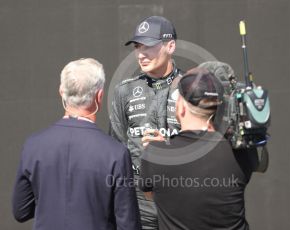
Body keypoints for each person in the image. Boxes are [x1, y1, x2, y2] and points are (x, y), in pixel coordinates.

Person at [12, 58, 141, 230]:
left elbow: (20, 211)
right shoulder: (115, 153)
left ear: (61, 92)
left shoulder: (33, 145)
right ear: (99, 96)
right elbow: (128, 223)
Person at [140, 68, 255, 230]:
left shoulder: (156, 154)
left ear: (181, 107)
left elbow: (153, 194)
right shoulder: (241, 151)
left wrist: (165, 147)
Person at [109, 16, 182, 229]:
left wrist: (168, 147)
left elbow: (202, 143)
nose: (141, 54)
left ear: (170, 46)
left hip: (182, 197)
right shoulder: (125, 91)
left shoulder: (190, 87)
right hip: (139, 203)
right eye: (138, 46)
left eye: (148, 46)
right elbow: (116, 149)